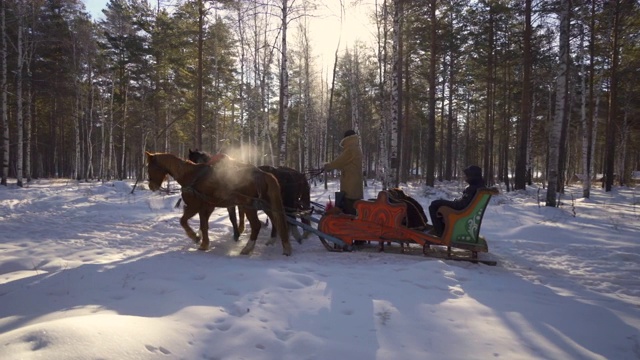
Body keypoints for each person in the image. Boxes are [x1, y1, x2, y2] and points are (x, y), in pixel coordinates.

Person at [428, 165, 485, 237]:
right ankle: (441, 229)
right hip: (463, 207)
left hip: (461, 209)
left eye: (467, 175)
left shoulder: (473, 188)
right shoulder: (478, 186)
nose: (465, 177)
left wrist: (453, 202)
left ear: (472, 175)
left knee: (434, 205)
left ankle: (440, 232)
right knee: (437, 203)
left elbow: (461, 205)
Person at [323, 129, 364, 215]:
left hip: (350, 186)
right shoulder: (356, 148)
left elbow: (340, 161)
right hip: (354, 184)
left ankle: (349, 226)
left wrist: (328, 166)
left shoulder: (350, 149)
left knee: (349, 210)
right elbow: (345, 164)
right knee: (352, 209)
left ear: (347, 139)